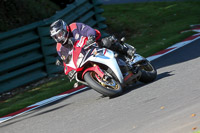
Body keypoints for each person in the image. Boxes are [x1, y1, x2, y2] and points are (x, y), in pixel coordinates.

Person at [50, 19, 135, 65]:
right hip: (82, 60)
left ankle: (126, 51)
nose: (59, 38)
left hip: (93, 46)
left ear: (65, 29)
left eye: (60, 34)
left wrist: (91, 37)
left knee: (107, 42)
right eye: (56, 37)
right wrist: (65, 64)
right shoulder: (59, 48)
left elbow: (88, 30)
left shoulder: (74, 27)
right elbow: (67, 60)